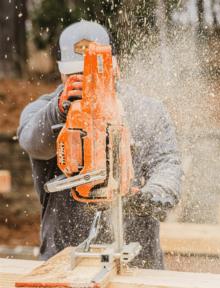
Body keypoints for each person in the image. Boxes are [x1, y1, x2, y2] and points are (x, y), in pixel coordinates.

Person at [17, 20, 184, 270]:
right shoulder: (43, 111)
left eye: (93, 70)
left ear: (115, 66)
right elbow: (33, 142)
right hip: (65, 262)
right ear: (62, 73)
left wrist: (153, 194)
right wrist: (59, 111)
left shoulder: (149, 111)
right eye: (76, 73)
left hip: (139, 265)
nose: (85, 79)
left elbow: (167, 164)